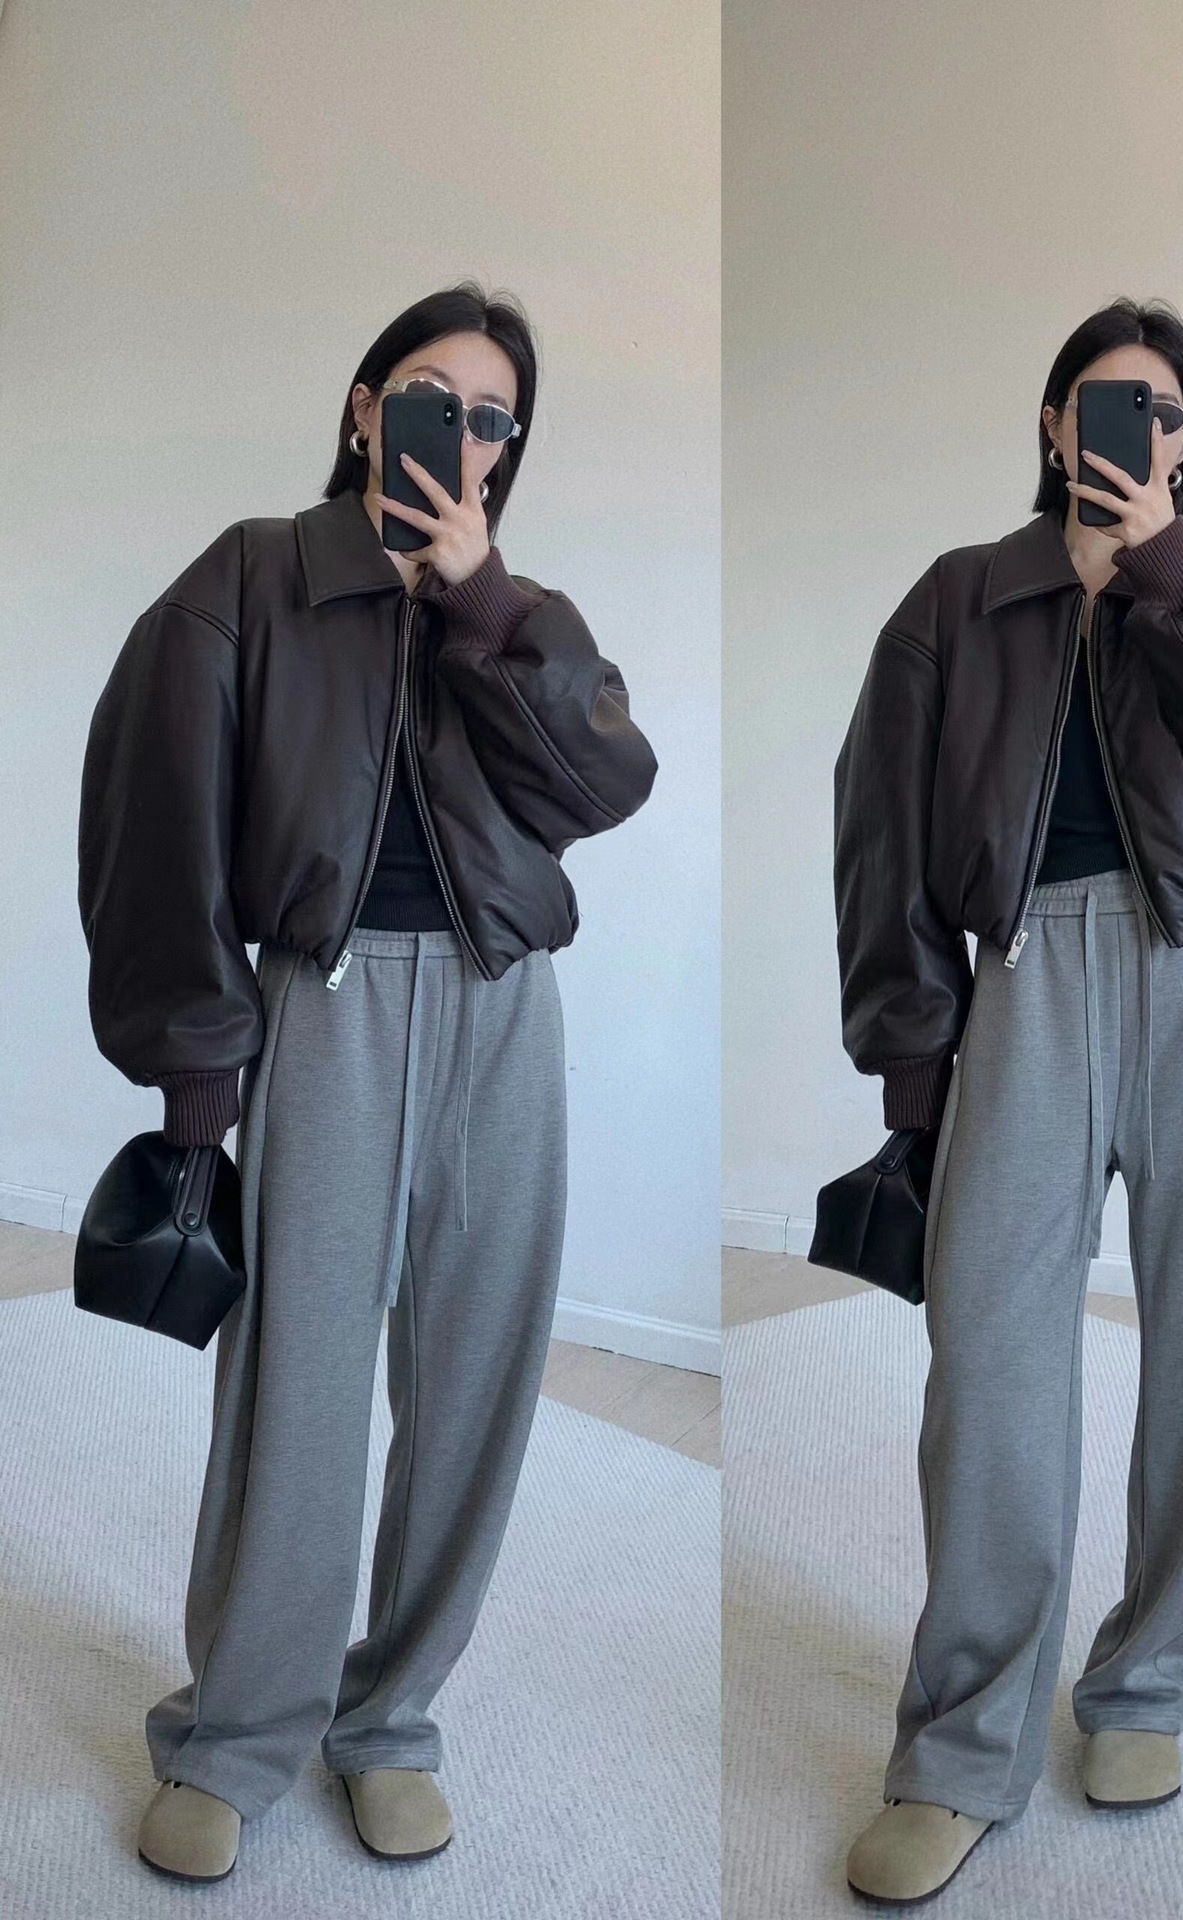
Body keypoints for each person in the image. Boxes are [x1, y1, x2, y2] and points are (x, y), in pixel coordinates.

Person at [77, 279, 659, 1883]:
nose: (461, 433)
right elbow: (155, 820)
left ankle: (391, 1719)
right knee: (297, 1388)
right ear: (364, 406)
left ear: (510, 447)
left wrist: (483, 604)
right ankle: (238, 1734)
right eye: (430, 398)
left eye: (492, 416)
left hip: (504, 1014)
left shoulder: (524, 616)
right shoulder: (256, 577)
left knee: (476, 1379)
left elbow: (605, 780)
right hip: (321, 1012)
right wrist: (201, 1079)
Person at [834, 298, 1183, 1903]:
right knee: (990, 1360)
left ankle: (1141, 1684)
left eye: (1165, 412)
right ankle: (964, 1742)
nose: (1136, 432)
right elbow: (881, 838)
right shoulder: (958, 603)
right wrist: (915, 1065)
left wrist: (1169, 585)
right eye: (1106, 404)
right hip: (1026, 986)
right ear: (1055, 425)